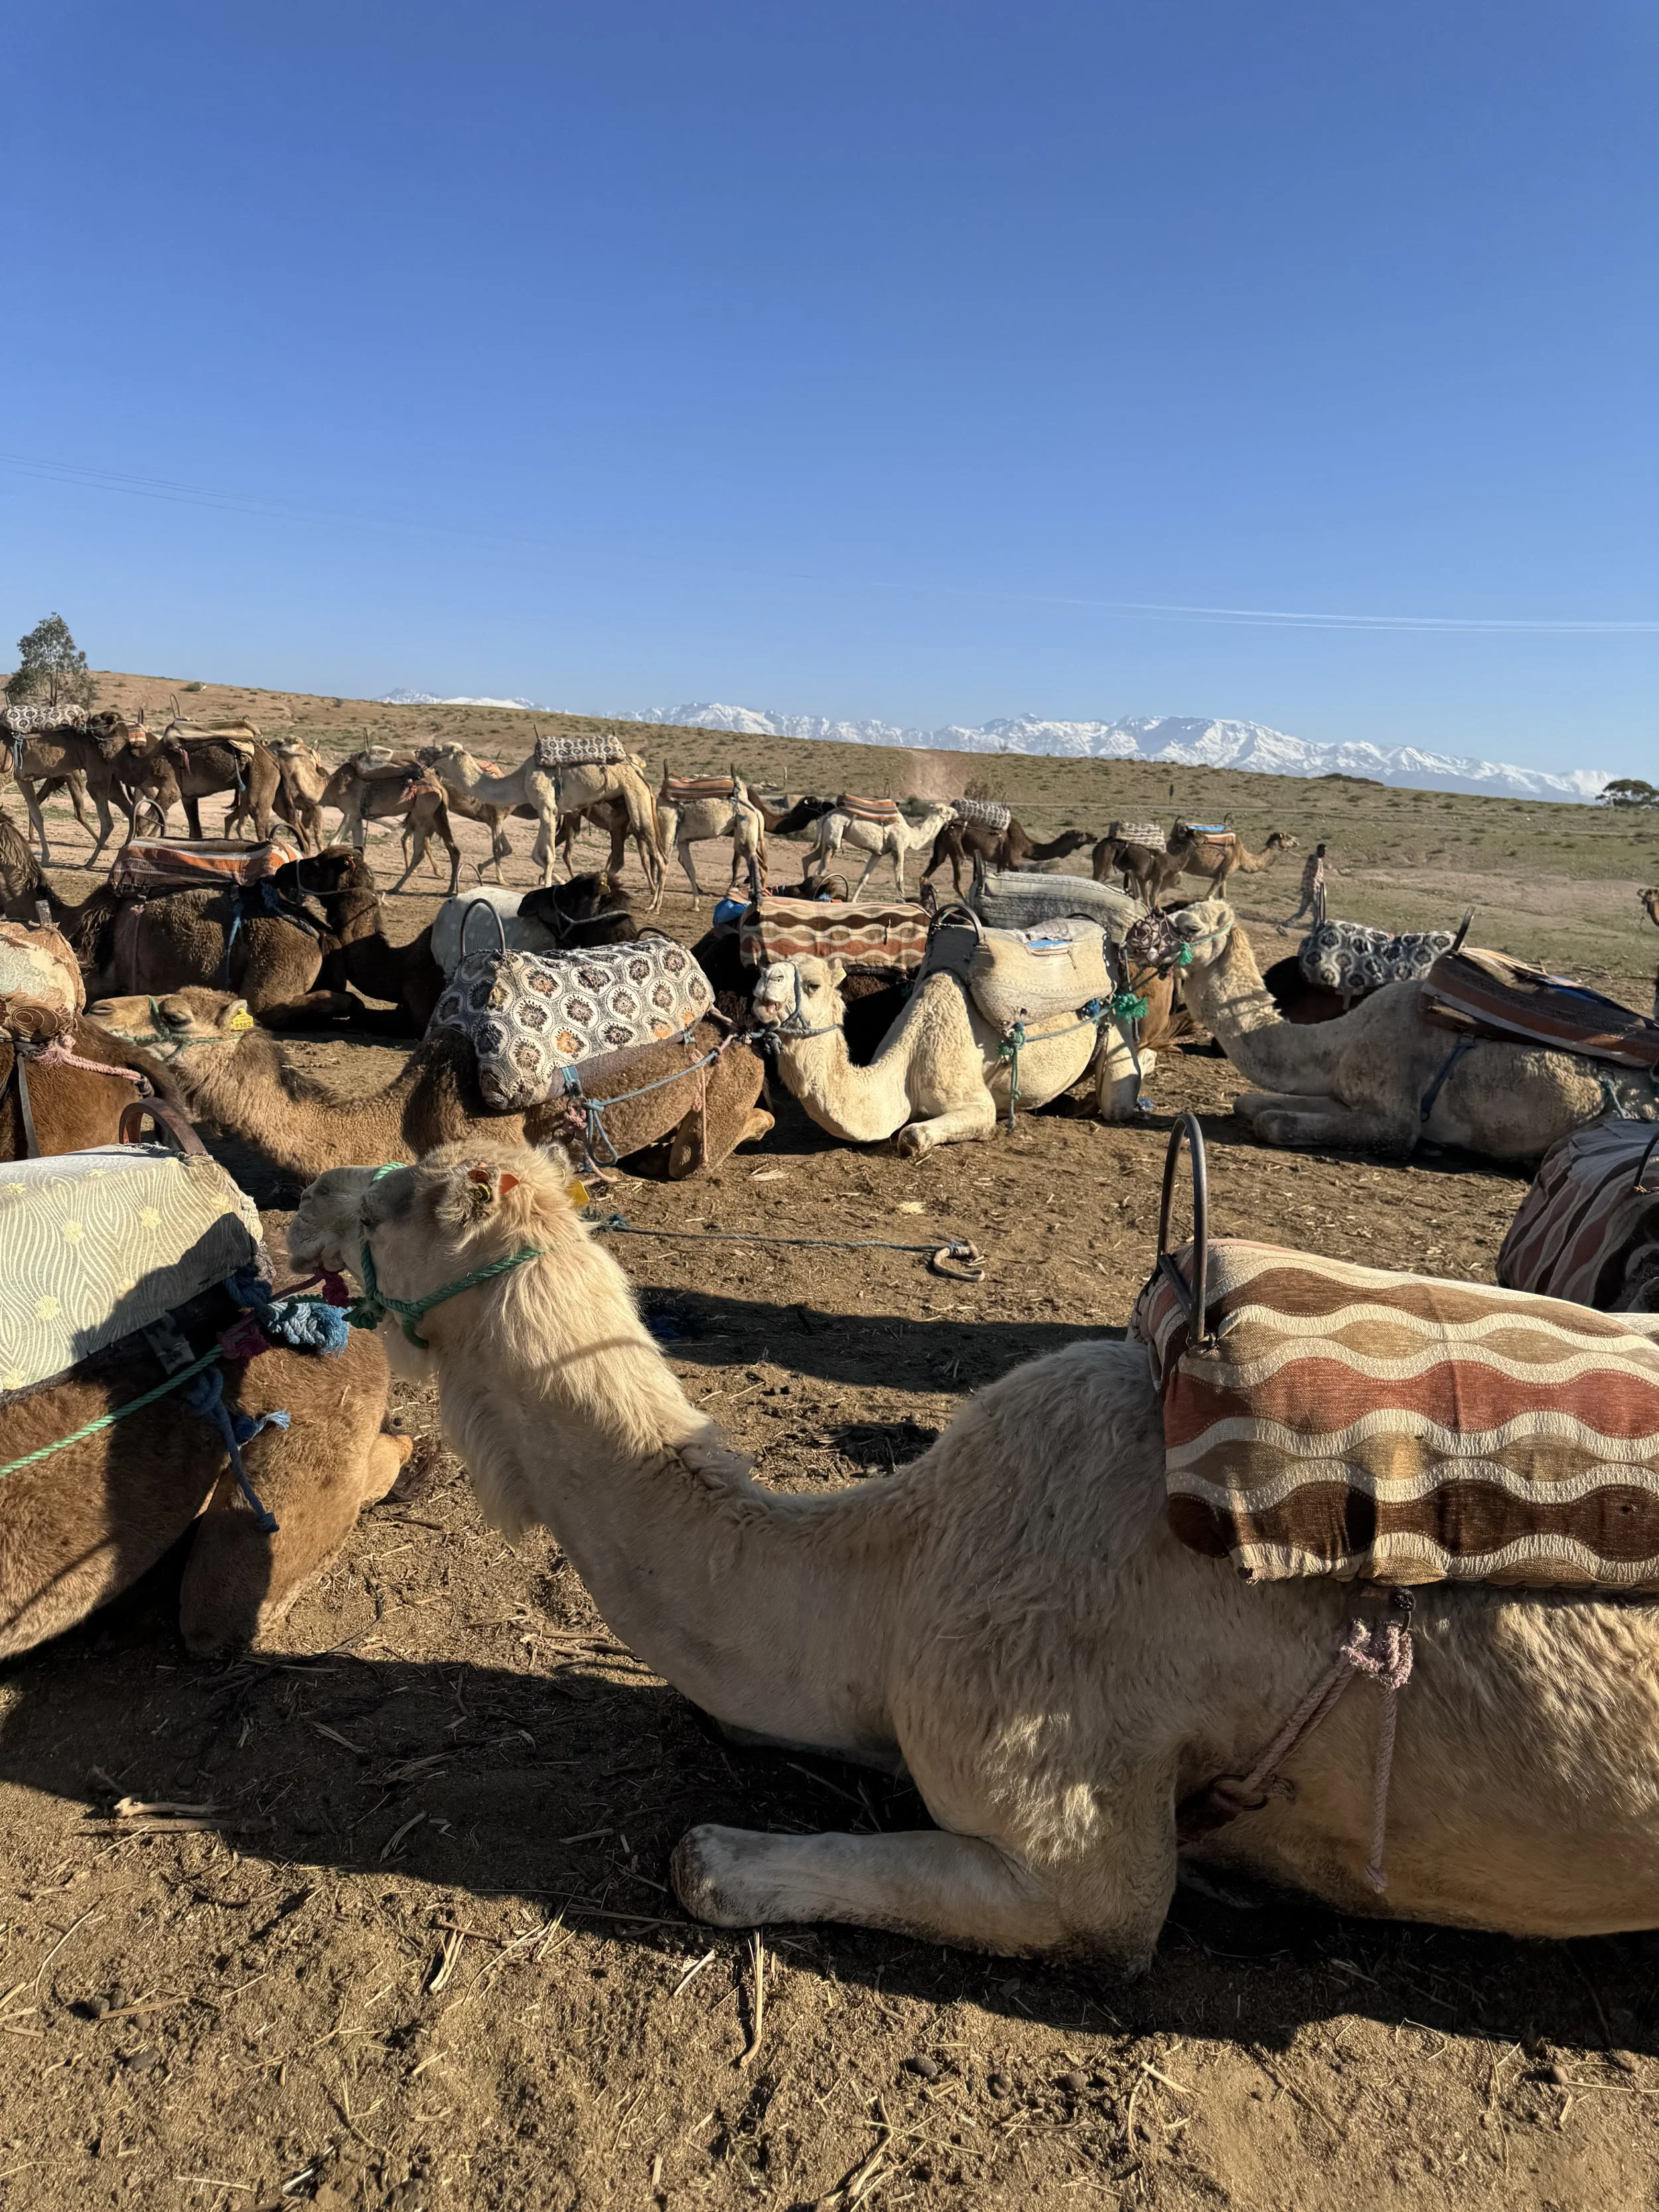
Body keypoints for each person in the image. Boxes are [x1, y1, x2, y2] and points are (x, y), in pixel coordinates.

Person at [1279, 842, 1327, 934]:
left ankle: (1284, 925)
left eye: (1326, 851)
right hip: (1312, 890)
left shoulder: (1314, 859)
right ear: (1319, 850)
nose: (1325, 853)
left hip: (1307, 889)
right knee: (1318, 913)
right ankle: (1315, 933)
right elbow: (1313, 877)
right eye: (1323, 851)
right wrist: (1313, 890)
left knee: (1302, 912)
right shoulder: (1316, 861)